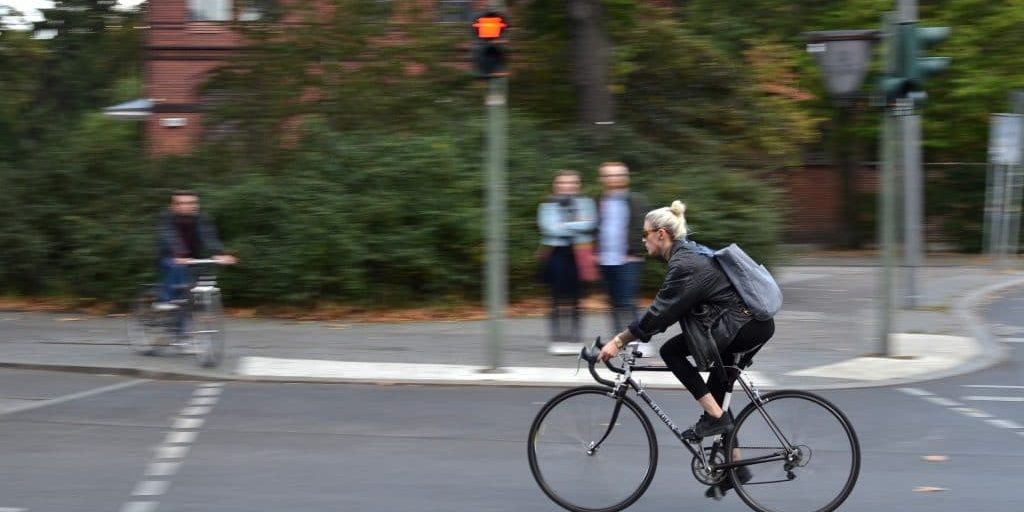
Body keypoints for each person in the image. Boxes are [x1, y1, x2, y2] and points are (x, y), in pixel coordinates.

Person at [597, 200, 774, 497]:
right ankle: (736, 469)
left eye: (646, 234)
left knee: (672, 353)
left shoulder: (684, 265)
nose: (643, 240)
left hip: (743, 326)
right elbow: (666, 312)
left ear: (661, 234)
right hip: (745, 324)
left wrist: (618, 341)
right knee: (718, 388)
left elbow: (660, 313)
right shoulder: (687, 255)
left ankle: (716, 419)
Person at [156, 190, 237, 339]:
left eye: (191, 203)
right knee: (176, 267)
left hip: (193, 258)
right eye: (181, 203)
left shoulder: (201, 219)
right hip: (171, 256)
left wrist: (219, 253)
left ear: (196, 204)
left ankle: (179, 333)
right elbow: (168, 236)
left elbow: (209, 237)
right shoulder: (166, 218)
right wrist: (179, 253)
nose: (186, 206)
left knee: (188, 296)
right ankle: (164, 300)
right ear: (173, 206)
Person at [537, 170, 597, 355]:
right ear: (556, 185)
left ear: (578, 185)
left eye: (572, 183)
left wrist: (564, 225)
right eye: (563, 183)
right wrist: (576, 223)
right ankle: (557, 339)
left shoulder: (586, 203)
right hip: (556, 253)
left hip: (578, 252)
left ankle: (575, 338)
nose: (567, 186)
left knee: (576, 298)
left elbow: (591, 224)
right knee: (555, 298)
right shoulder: (547, 205)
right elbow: (548, 228)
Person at [595, 161, 648, 336]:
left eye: (618, 174)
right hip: (605, 259)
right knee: (613, 302)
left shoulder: (636, 200)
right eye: (609, 175)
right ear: (602, 178)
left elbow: (645, 227)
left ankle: (639, 340)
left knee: (628, 301)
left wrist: (636, 251)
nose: (614, 178)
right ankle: (618, 340)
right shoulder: (598, 201)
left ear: (626, 177)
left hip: (628, 259)